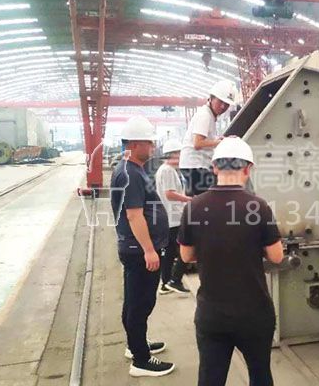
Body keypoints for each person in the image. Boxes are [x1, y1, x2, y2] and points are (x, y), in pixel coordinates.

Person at [178, 136, 284, 386]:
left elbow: (186, 256)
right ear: (248, 169)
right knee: (260, 374)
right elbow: (277, 256)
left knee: (211, 378)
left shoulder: (194, 207)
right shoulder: (258, 207)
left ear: (214, 168)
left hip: (212, 314)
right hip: (254, 313)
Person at [110, 117, 175, 377]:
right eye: (149, 143)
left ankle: (135, 343)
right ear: (135, 144)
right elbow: (134, 215)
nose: (153, 147)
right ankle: (141, 360)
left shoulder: (132, 169)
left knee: (134, 301)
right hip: (139, 251)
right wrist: (149, 250)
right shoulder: (130, 173)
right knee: (140, 304)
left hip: (136, 249)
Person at [179, 80, 236, 196]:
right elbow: (198, 143)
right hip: (196, 166)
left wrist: (220, 139)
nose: (223, 106)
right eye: (220, 102)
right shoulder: (205, 115)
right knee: (212, 198)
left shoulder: (209, 115)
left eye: (226, 104)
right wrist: (220, 142)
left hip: (194, 166)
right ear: (211, 98)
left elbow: (205, 139)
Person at [155, 139, 192, 294]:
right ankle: (174, 280)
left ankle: (166, 283)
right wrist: (189, 199)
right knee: (185, 246)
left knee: (170, 251)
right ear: (172, 154)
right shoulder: (168, 171)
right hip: (173, 217)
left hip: (171, 217)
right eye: (179, 154)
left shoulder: (166, 170)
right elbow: (169, 194)